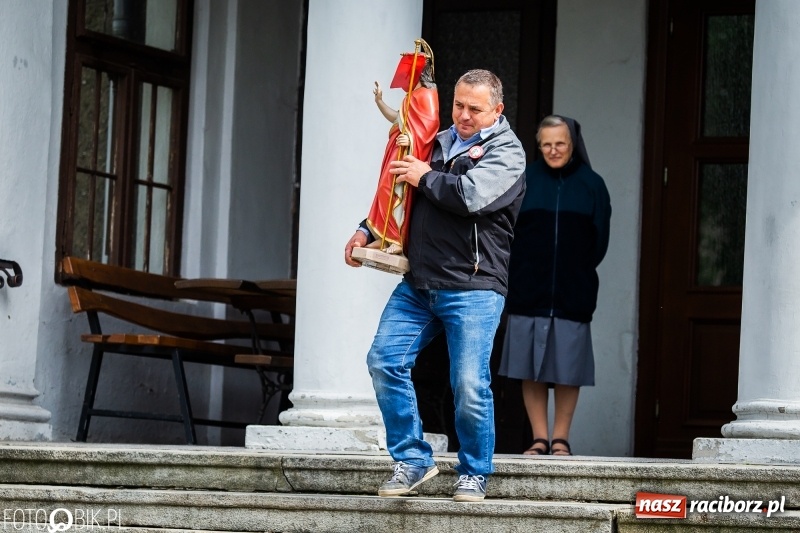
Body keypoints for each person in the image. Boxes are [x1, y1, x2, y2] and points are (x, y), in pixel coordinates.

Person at [344, 69, 526, 501]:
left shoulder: (509, 152)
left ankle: (475, 471)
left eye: (475, 109)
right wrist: (366, 232)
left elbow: (470, 197)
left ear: (497, 110)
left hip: (475, 285)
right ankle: (412, 460)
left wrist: (424, 174)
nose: (463, 115)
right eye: (458, 105)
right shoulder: (437, 138)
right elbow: (396, 193)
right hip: (419, 282)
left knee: (468, 384)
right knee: (384, 361)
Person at [498, 115, 611, 456]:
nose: (553, 150)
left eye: (559, 143)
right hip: (527, 289)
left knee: (567, 370)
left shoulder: (592, 184)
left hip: (572, 292)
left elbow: (600, 241)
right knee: (528, 368)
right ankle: (539, 438)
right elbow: (507, 231)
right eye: (546, 144)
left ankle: (560, 439)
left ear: (573, 143)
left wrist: (576, 270)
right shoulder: (526, 179)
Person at [364, 46, 439, 257]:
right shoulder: (411, 96)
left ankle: (397, 240)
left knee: (396, 190)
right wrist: (379, 101)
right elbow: (397, 118)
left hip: (409, 152)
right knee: (384, 189)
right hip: (397, 149)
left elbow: (431, 125)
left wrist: (413, 139)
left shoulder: (427, 95)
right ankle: (385, 237)